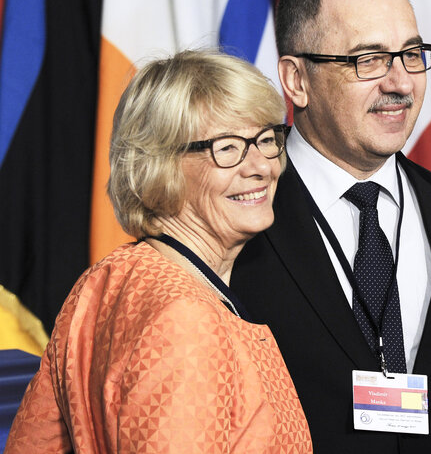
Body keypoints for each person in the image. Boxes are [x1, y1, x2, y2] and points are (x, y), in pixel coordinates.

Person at [230, 0, 431, 453]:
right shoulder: (231, 218)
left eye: (411, 54)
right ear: (296, 80)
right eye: (368, 58)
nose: (400, 82)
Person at [6, 50, 312, 453]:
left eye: (266, 139)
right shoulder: (185, 318)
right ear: (161, 165)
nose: (261, 166)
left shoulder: (107, 278)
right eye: (228, 146)